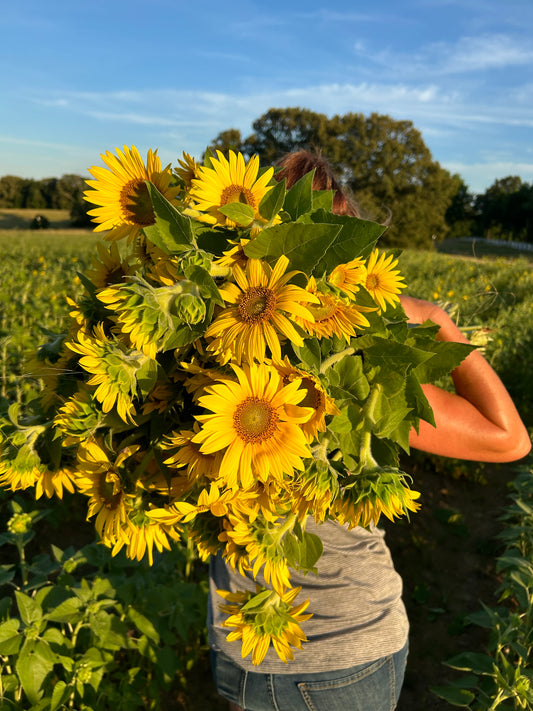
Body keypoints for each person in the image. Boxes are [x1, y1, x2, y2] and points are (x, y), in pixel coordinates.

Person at [208, 150, 531, 711]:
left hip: (257, 648)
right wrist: (436, 322)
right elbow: (510, 438)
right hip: (322, 651)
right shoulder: (366, 383)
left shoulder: (198, 355)